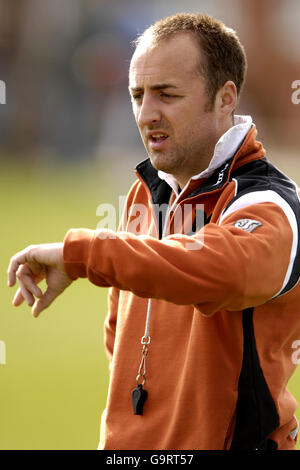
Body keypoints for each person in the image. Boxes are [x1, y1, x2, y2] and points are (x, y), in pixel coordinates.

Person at [7, 13, 300, 450]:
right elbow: (119, 342)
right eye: (137, 95)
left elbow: (217, 270)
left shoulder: (269, 204)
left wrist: (83, 255)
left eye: (167, 94)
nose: (146, 115)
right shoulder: (143, 196)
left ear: (225, 99)